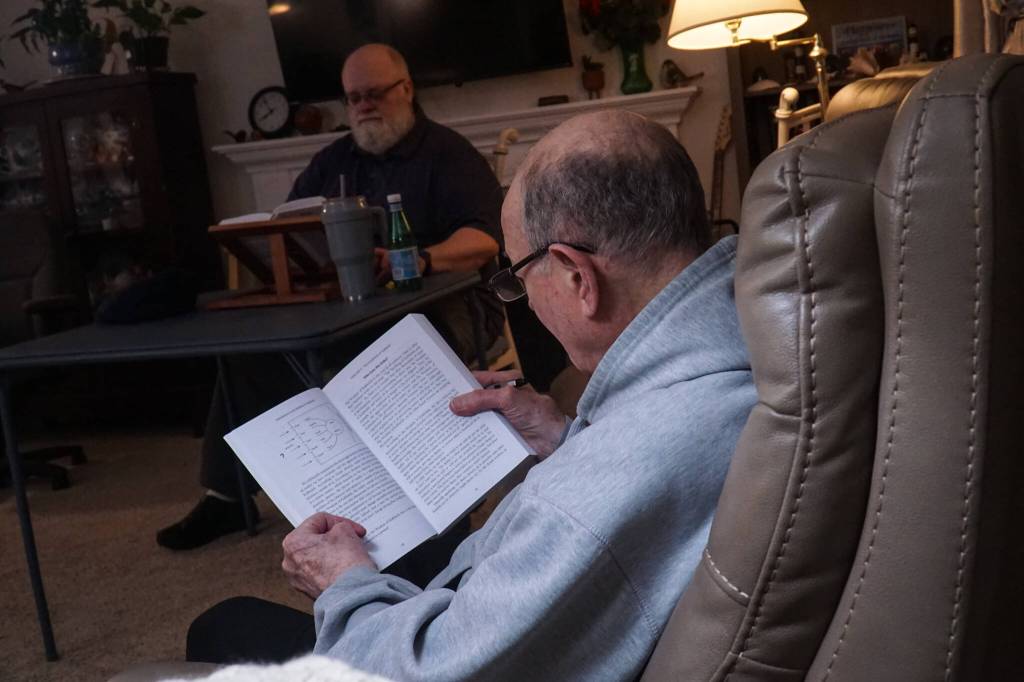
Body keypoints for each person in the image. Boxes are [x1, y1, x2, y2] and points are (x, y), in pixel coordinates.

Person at [184, 109, 756, 680]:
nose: (524, 300)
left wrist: (344, 584)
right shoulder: (748, 344)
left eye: (520, 274)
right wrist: (564, 436)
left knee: (222, 625)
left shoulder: (591, 495)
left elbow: (426, 672)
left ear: (578, 277)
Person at [156, 44, 505, 574]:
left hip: (447, 305)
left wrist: (416, 258)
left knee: (386, 346)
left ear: (406, 89)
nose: (363, 106)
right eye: (352, 98)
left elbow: (482, 241)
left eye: (374, 94)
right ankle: (227, 498)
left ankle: (421, 501)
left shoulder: (448, 154)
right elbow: (287, 225)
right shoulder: (334, 161)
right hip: (350, 310)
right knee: (254, 354)